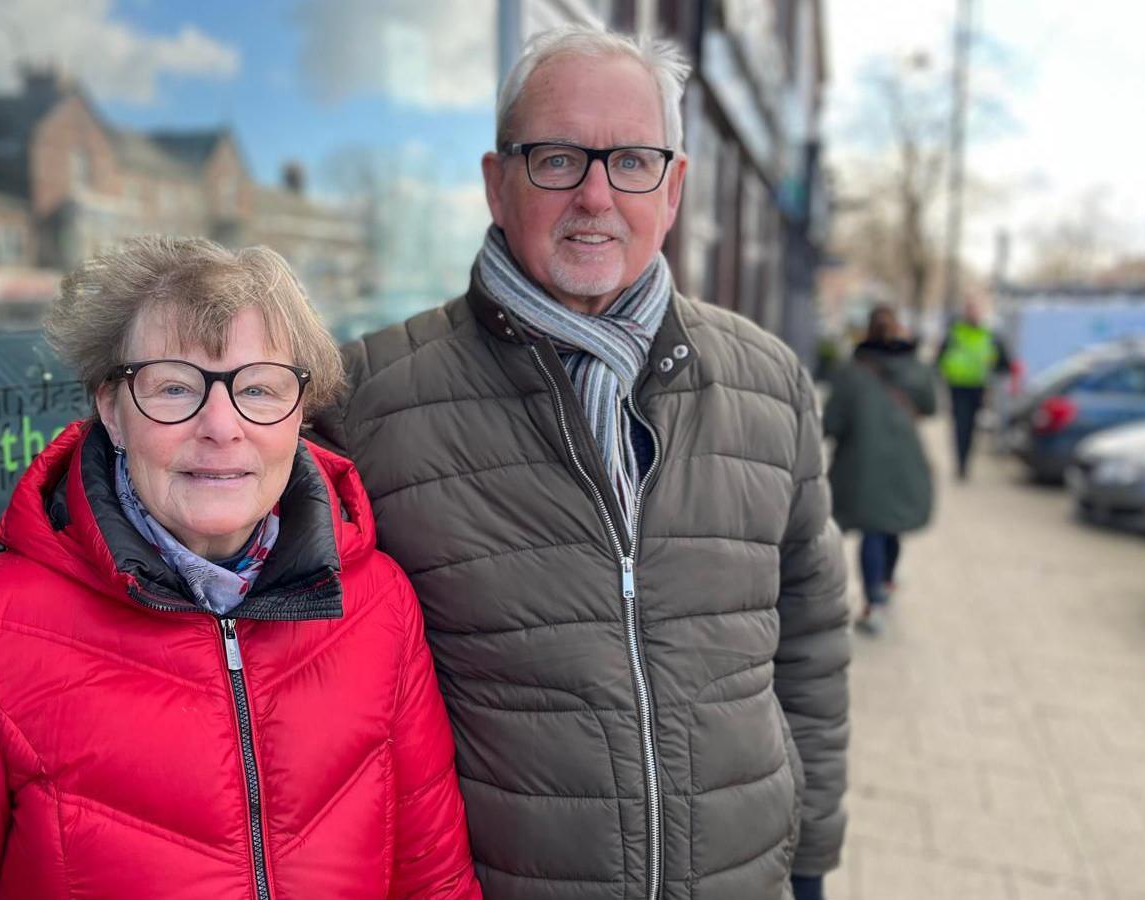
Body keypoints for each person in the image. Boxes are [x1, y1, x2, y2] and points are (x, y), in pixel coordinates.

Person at [312, 25, 849, 900]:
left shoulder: (770, 383)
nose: (596, 195)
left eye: (633, 160)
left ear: (672, 190)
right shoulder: (371, 402)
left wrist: (814, 851)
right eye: (557, 158)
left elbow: (814, 636)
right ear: (498, 182)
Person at [0, 237, 480, 898]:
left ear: (299, 414)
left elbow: (434, 877)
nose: (222, 425)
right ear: (112, 409)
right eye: (175, 386)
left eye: (258, 387)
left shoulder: (376, 603)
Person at [823, 305, 937, 635]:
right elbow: (930, 406)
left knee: (872, 527)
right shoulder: (916, 366)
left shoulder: (850, 371)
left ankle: (873, 602)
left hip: (861, 463)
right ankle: (885, 583)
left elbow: (832, 423)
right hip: (905, 458)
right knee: (890, 525)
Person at [935, 298, 1013, 480]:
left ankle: (965, 461)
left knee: (971, 426)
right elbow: (940, 357)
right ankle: (961, 464)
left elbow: (1003, 361)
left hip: (978, 387)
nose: (973, 314)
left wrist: (995, 372)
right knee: (960, 426)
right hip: (957, 386)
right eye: (970, 310)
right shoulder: (955, 332)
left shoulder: (989, 334)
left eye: (976, 310)